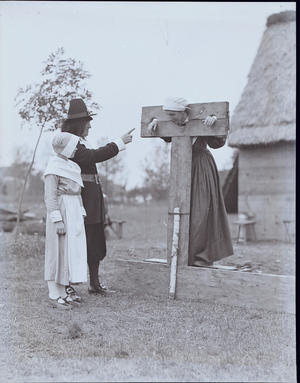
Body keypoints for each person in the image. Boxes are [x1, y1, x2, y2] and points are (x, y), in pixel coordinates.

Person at [148, 96, 234, 267]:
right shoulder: (173, 124)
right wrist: (155, 121)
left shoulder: (200, 123)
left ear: (183, 113)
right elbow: (166, 134)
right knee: (179, 211)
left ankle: (201, 257)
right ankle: (182, 255)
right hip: (181, 168)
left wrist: (214, 123)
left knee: (201, 212)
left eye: (172, 114)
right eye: (168, 115)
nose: (170, 118)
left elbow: (217, 142)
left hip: (201, 169)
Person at [61, 98, 134, 294]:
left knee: (95, 241)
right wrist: (119, 143)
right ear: (78, 123)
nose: (90, 126)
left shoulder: (79, 142)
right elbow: (93, 156)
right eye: (87, 121)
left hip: (92, 199)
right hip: (82, 200)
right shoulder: (69, 143)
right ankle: (67, 285)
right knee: (79, 241)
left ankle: (94, 284)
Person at [44, 132, 87, 309]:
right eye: (74, 145)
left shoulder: (73, 166)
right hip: (61, 209)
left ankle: (63, 292)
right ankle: (53, 294)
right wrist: (57, 219)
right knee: (57, 250)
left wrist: (81, 212)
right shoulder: (53, 166)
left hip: (74, 210)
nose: (76, 148)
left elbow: (78, 192)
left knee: (69, 251)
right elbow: (50, 196)